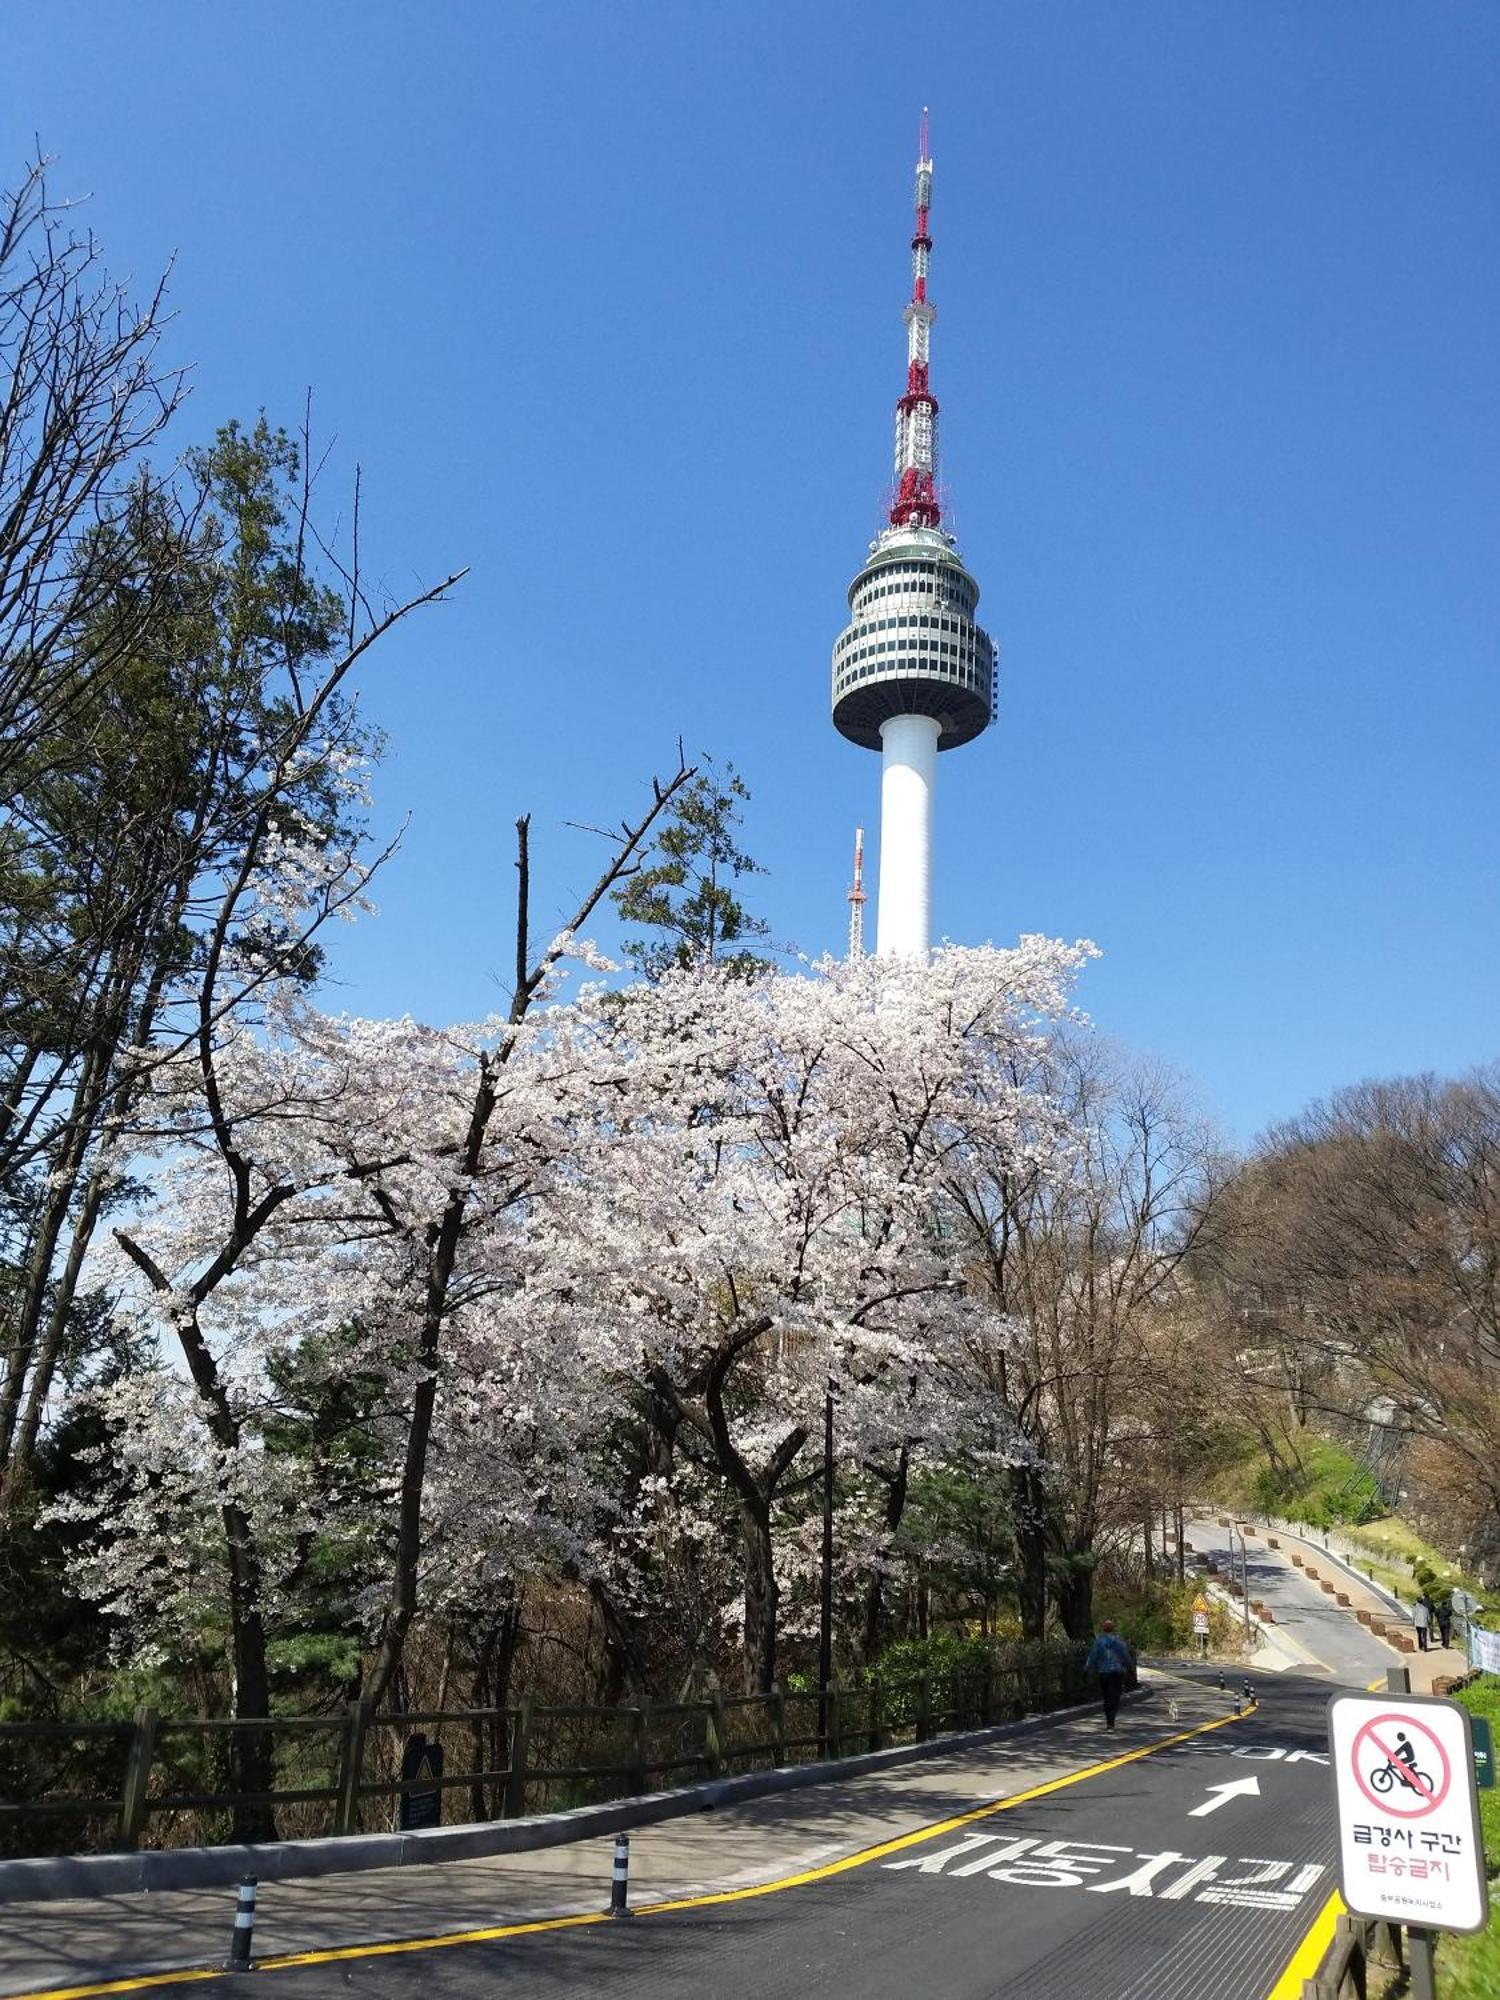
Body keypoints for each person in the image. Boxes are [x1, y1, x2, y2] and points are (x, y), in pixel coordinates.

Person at [1083, 1619, 1132, 1731]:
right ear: (1113, 1629)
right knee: (1115, 1697)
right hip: (1117, 1672)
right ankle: (1112, 1721)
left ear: (1103, 1629)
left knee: (1106, 1697)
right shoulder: (1119, 1642)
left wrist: (1086, 1668)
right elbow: (1126, 1656)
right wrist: (1130, 1667)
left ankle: (1108, 1722)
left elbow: (1092, 1656)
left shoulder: (1099, 1642)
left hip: (1104, 1672)